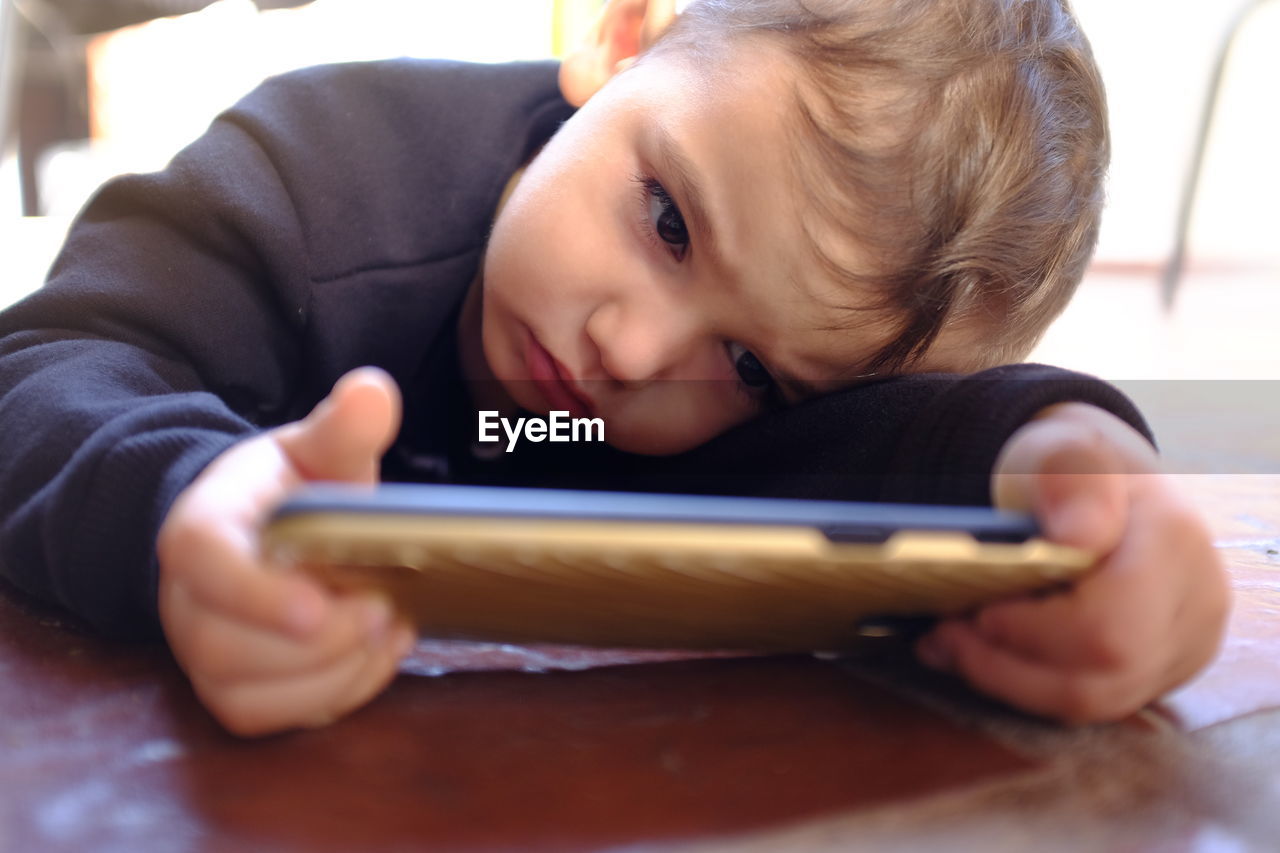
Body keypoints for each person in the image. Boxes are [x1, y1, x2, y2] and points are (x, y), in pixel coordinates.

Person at [0, 0, 1228, 736]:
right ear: (623, 34)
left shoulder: (717, 400)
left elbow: (894, 443)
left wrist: (1077, 471)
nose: (633, 358)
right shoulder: (319, 175)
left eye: (746, 364)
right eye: (668, 221)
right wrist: (176, 507)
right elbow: (52, 364)